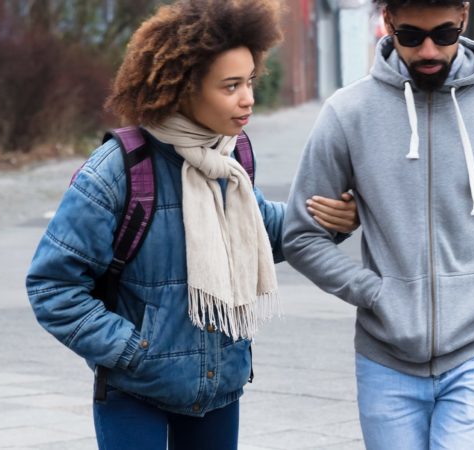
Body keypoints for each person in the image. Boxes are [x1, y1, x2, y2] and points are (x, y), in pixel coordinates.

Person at [25, 1, 358, 448]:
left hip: (217, 386)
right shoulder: (118, 171)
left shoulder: (230, 158)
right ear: (183, 88)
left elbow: (260, 229)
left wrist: (327, 218)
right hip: (134, 390)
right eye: (231, 86)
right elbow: (52, 286)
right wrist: (132, 350)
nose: (248, 99)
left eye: (250, 81)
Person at [282, 0, 474, 448]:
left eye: (443, 34)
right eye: (410, 36)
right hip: (385, 360)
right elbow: (301, 236)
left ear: (464, 17)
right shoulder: (347, 115)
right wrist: (373, 292)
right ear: (387, 23)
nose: (428, 50)